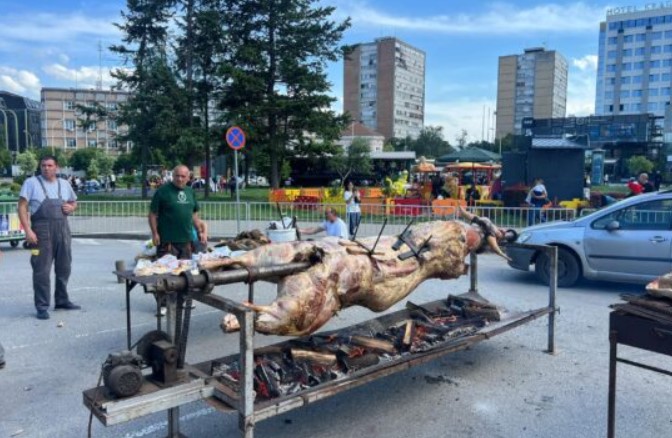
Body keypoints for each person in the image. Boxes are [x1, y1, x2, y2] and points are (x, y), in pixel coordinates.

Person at [18, 155, 80, 320]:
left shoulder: (64, 183)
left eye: (50, 165)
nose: (46, 168)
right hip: (41, 231)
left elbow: (74, 202)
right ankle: (42, 306)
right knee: (41, 271)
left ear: (56, 167)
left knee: (64, 268)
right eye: (43, 165)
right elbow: (22, 207)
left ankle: (61, 300)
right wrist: (28, 231)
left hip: (63, 230)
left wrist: (71, 207)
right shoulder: (31, 183)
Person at [149, 165, 207, 261]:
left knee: (185, 270)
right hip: (167, 241)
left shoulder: (190, 192)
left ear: (188, 177)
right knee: (166, 271)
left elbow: (194, 214)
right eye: (177, 176)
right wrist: (155, 233)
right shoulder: (162, 191)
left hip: (186, 241)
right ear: (173, 176)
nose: (179, 179)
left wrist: (200, 231)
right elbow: (152, 214)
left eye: (183, 176)